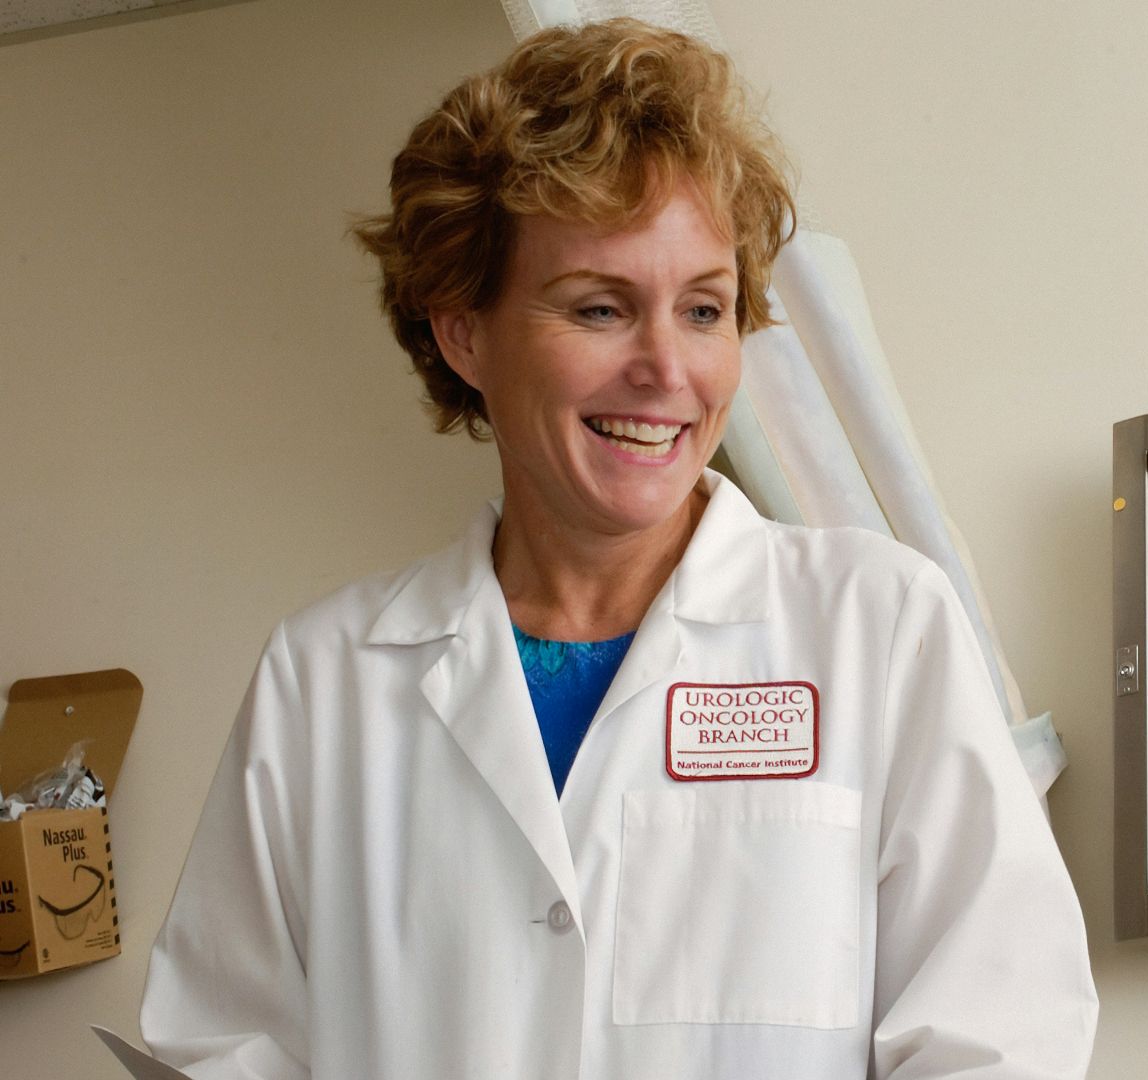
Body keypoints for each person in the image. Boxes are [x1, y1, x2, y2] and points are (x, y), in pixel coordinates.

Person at [142, 20, 1097, 1079]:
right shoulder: (323, 681)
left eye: (704, 309)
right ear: (464, 332)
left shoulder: (881, 629)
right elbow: (223, 1045)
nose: (666, 370)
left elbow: (1002, 1035)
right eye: (600, 308)